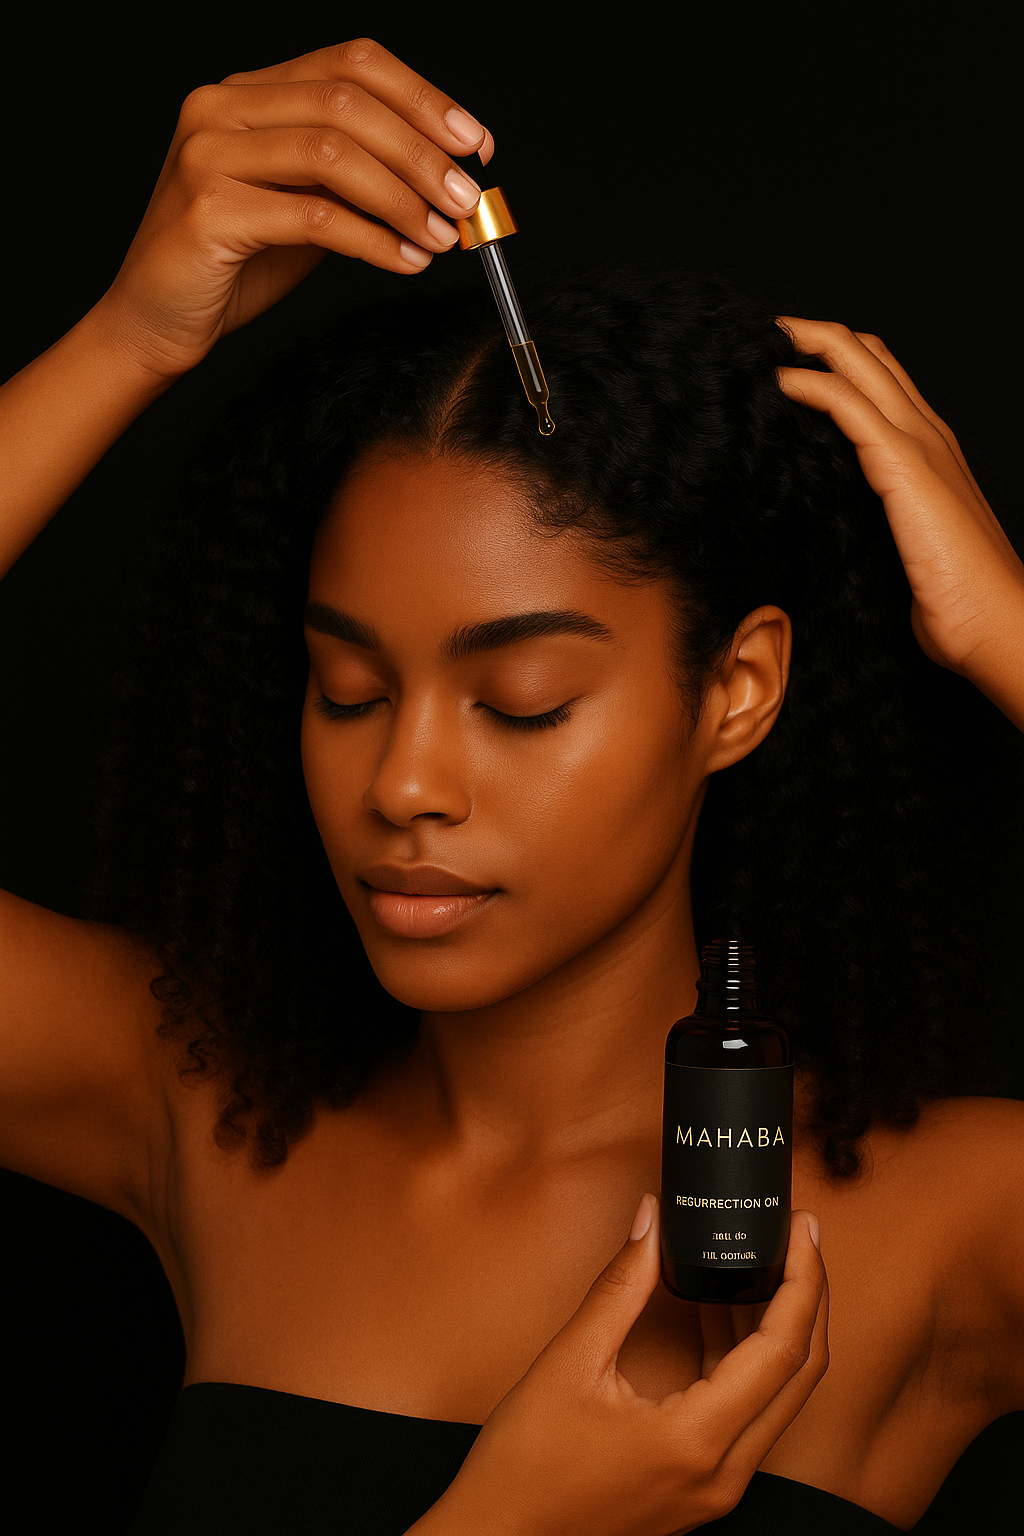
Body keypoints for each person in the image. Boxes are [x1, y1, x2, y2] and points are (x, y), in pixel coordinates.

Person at [1, 38, 1021, 1535]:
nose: (403, 781)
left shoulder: (950, 1222)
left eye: (521, 704)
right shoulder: (208, 1114)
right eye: (347, 689)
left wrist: (1012, 636)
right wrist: (129, 338)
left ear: (735, 692)